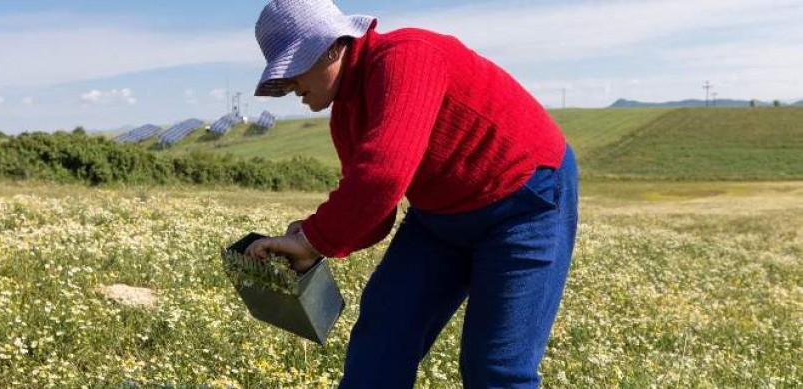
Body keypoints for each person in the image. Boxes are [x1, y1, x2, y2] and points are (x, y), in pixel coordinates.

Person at [244, 0, 578, 387]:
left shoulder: (407, 56)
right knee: (383, 334)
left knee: (495, 369)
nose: (289, 88)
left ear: (331, 46)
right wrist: (304, 238)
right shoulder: (347, 114)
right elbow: (376, 214)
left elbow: (382, 176)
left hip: (524, 204)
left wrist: (314, 240)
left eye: (292, 71)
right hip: (441, 219)